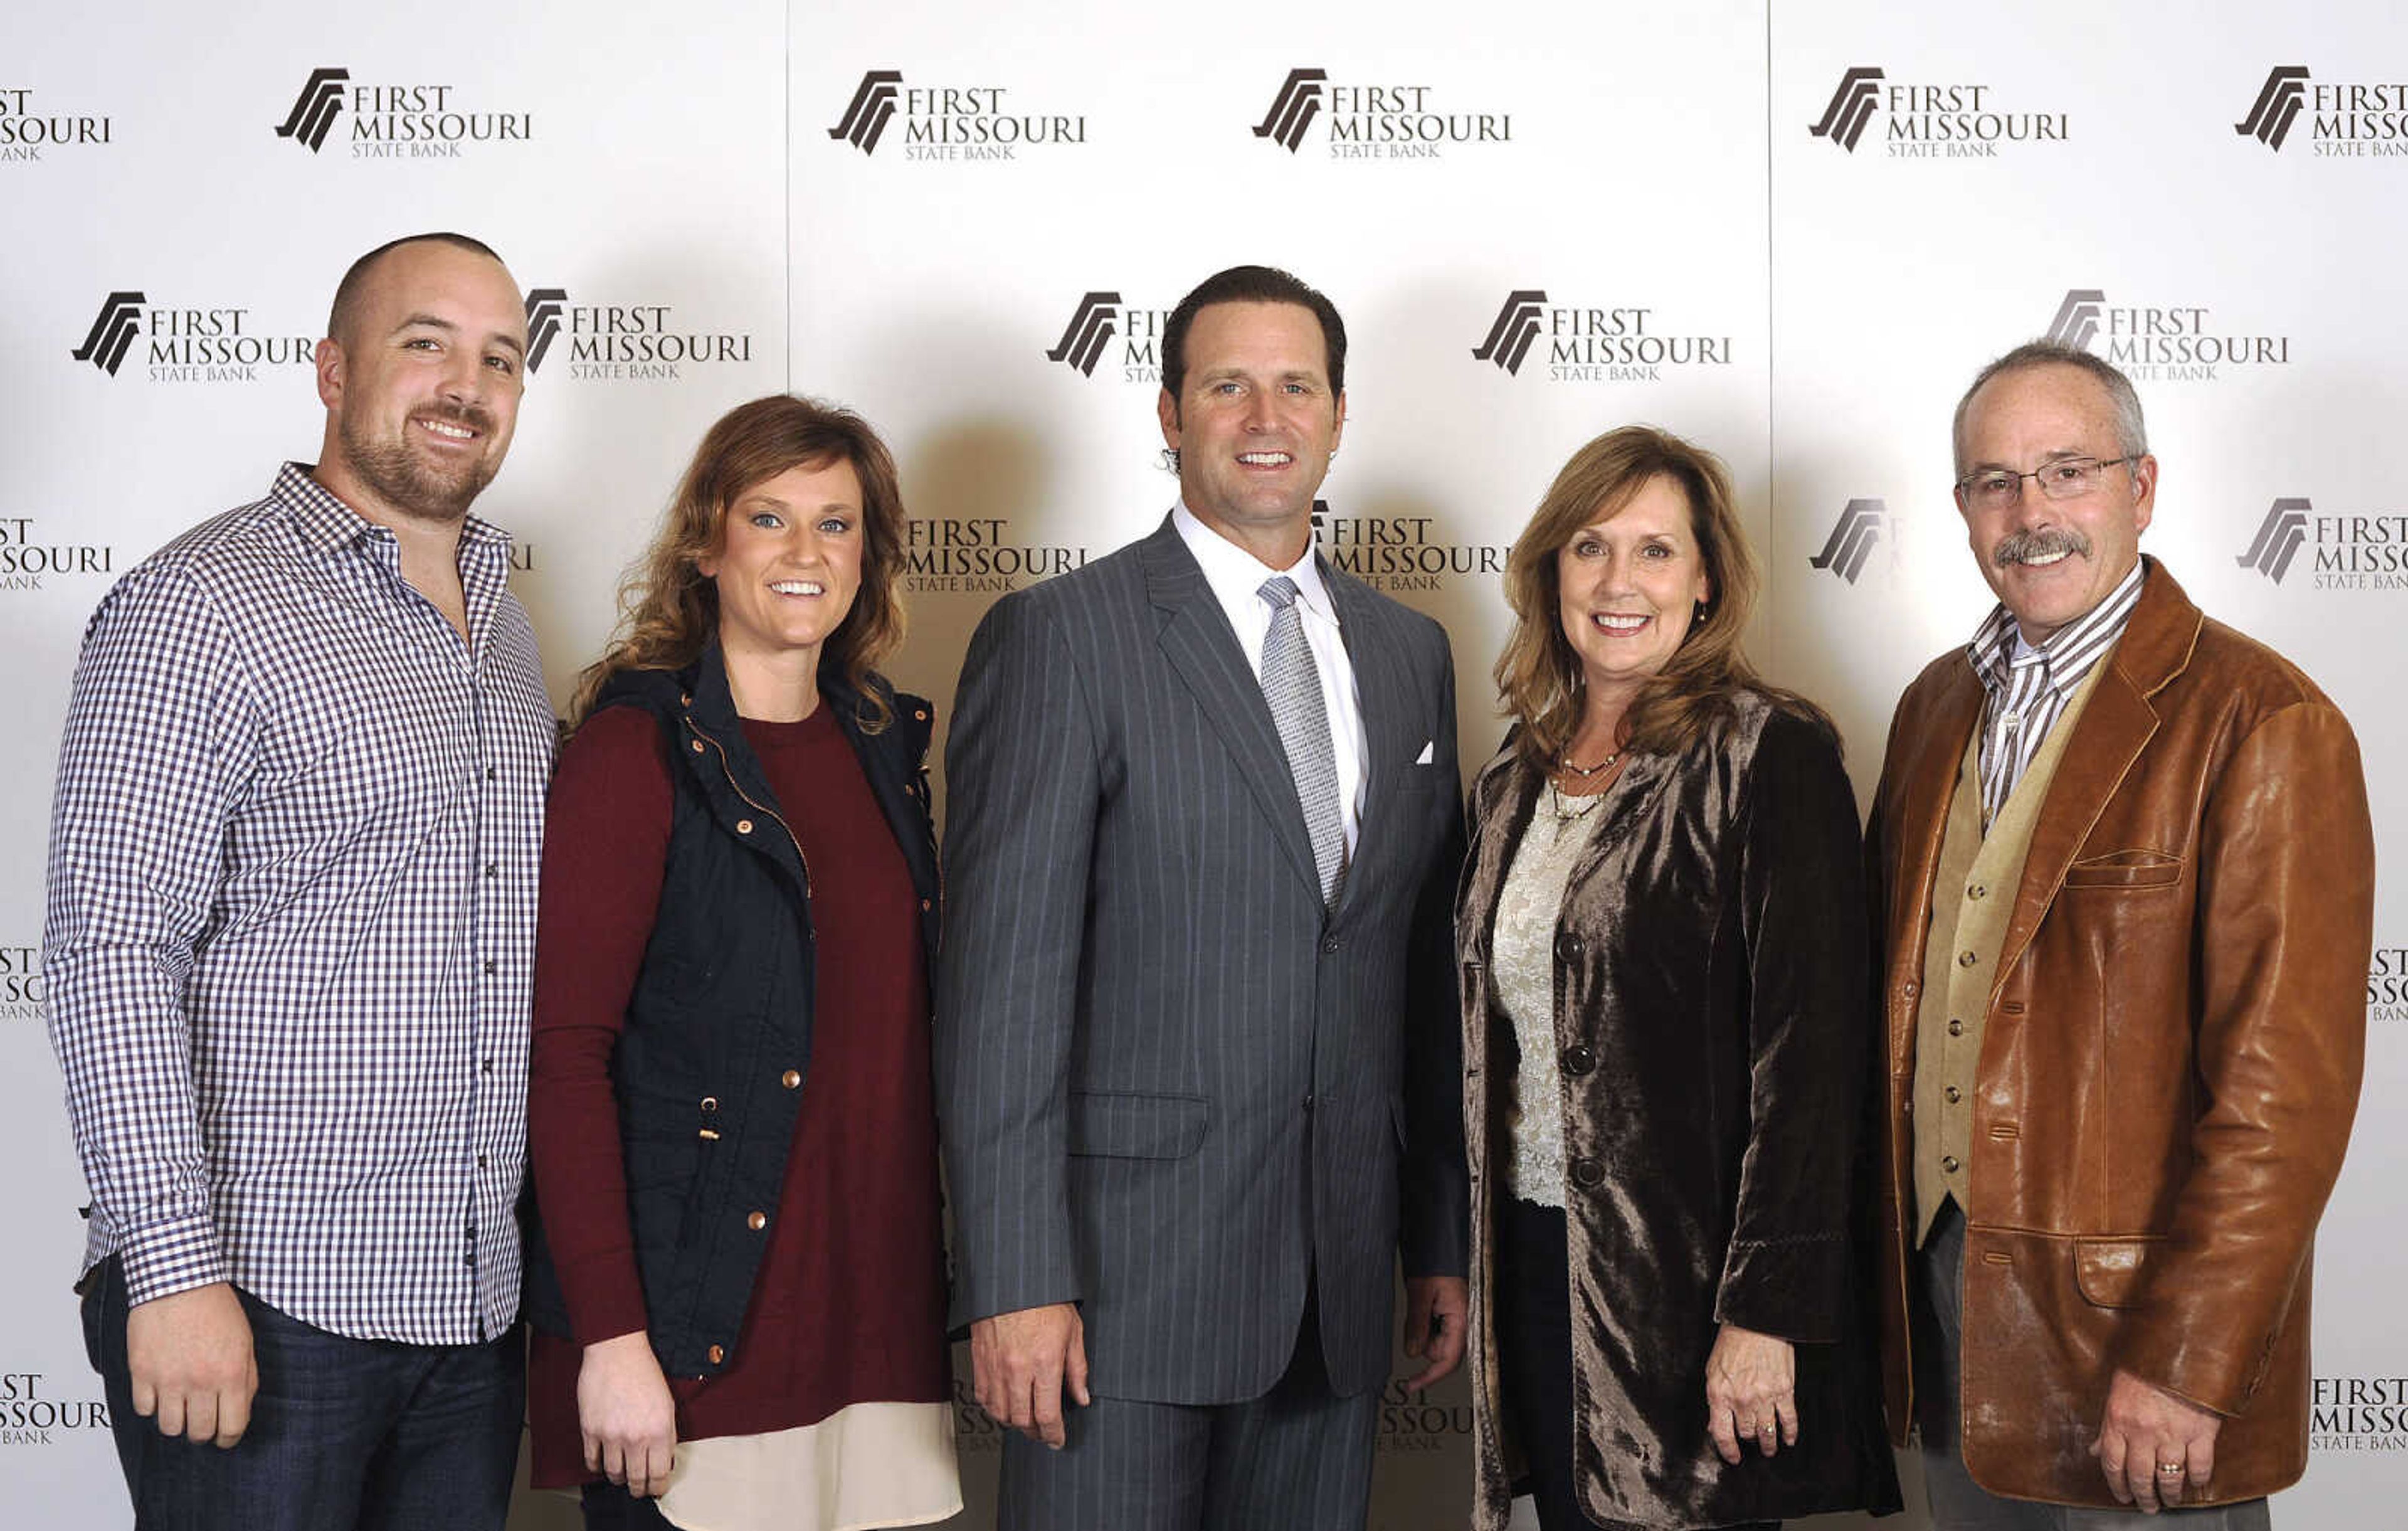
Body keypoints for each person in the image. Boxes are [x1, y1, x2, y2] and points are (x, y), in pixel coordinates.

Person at [934, 264, 1468, 1530]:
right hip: (1115, 1301)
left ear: (1341, 415)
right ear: (1170, 416)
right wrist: (1013, 1278)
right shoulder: (1064, 634)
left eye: (1296, 387)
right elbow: (1001, 992)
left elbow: (1412, 974)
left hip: (1336, 1292)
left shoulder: (1409, 653)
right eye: (1227, 386)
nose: (1264, 418)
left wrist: (1435, 1234)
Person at [44, 231, 549, 1530]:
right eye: (424, 342)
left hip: (471, 1305)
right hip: (266, 1302)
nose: (466, 385)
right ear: (333, 369)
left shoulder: (502, 611)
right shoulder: (201, 603)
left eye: (499, 356)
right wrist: (172, 1275)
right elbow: (110, 948)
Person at [1868, 341, 2375, 1526]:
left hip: (2139, 1339)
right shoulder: (1935, 704)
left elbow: (2283, 1098)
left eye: (2068, 471)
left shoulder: (2264, 720)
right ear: (1960, 508)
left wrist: (2191, 1360)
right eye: (1995, 481)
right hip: (1949, 1301)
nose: (2030, 512)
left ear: (2142, 489)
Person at [522, 395, 957, 1530]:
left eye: (837, 523)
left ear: (871, 554)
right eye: (770, 518)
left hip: (877, 1331)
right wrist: (612, 1339)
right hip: (694, 1343)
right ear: (707, 544)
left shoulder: (882, 746)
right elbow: (564, 1060)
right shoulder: (635, 752)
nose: (806, 553)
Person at [1456, 426, 1901, 1530]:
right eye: (1591, 547)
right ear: (1550, 569)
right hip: (1531, 1267)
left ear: (1705, 581)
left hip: (1695, 1291)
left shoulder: (1769, 754)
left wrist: (1767, 1312)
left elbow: (1813, 1062)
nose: (1619, 582)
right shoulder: (1512, 775)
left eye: (1655, 551)